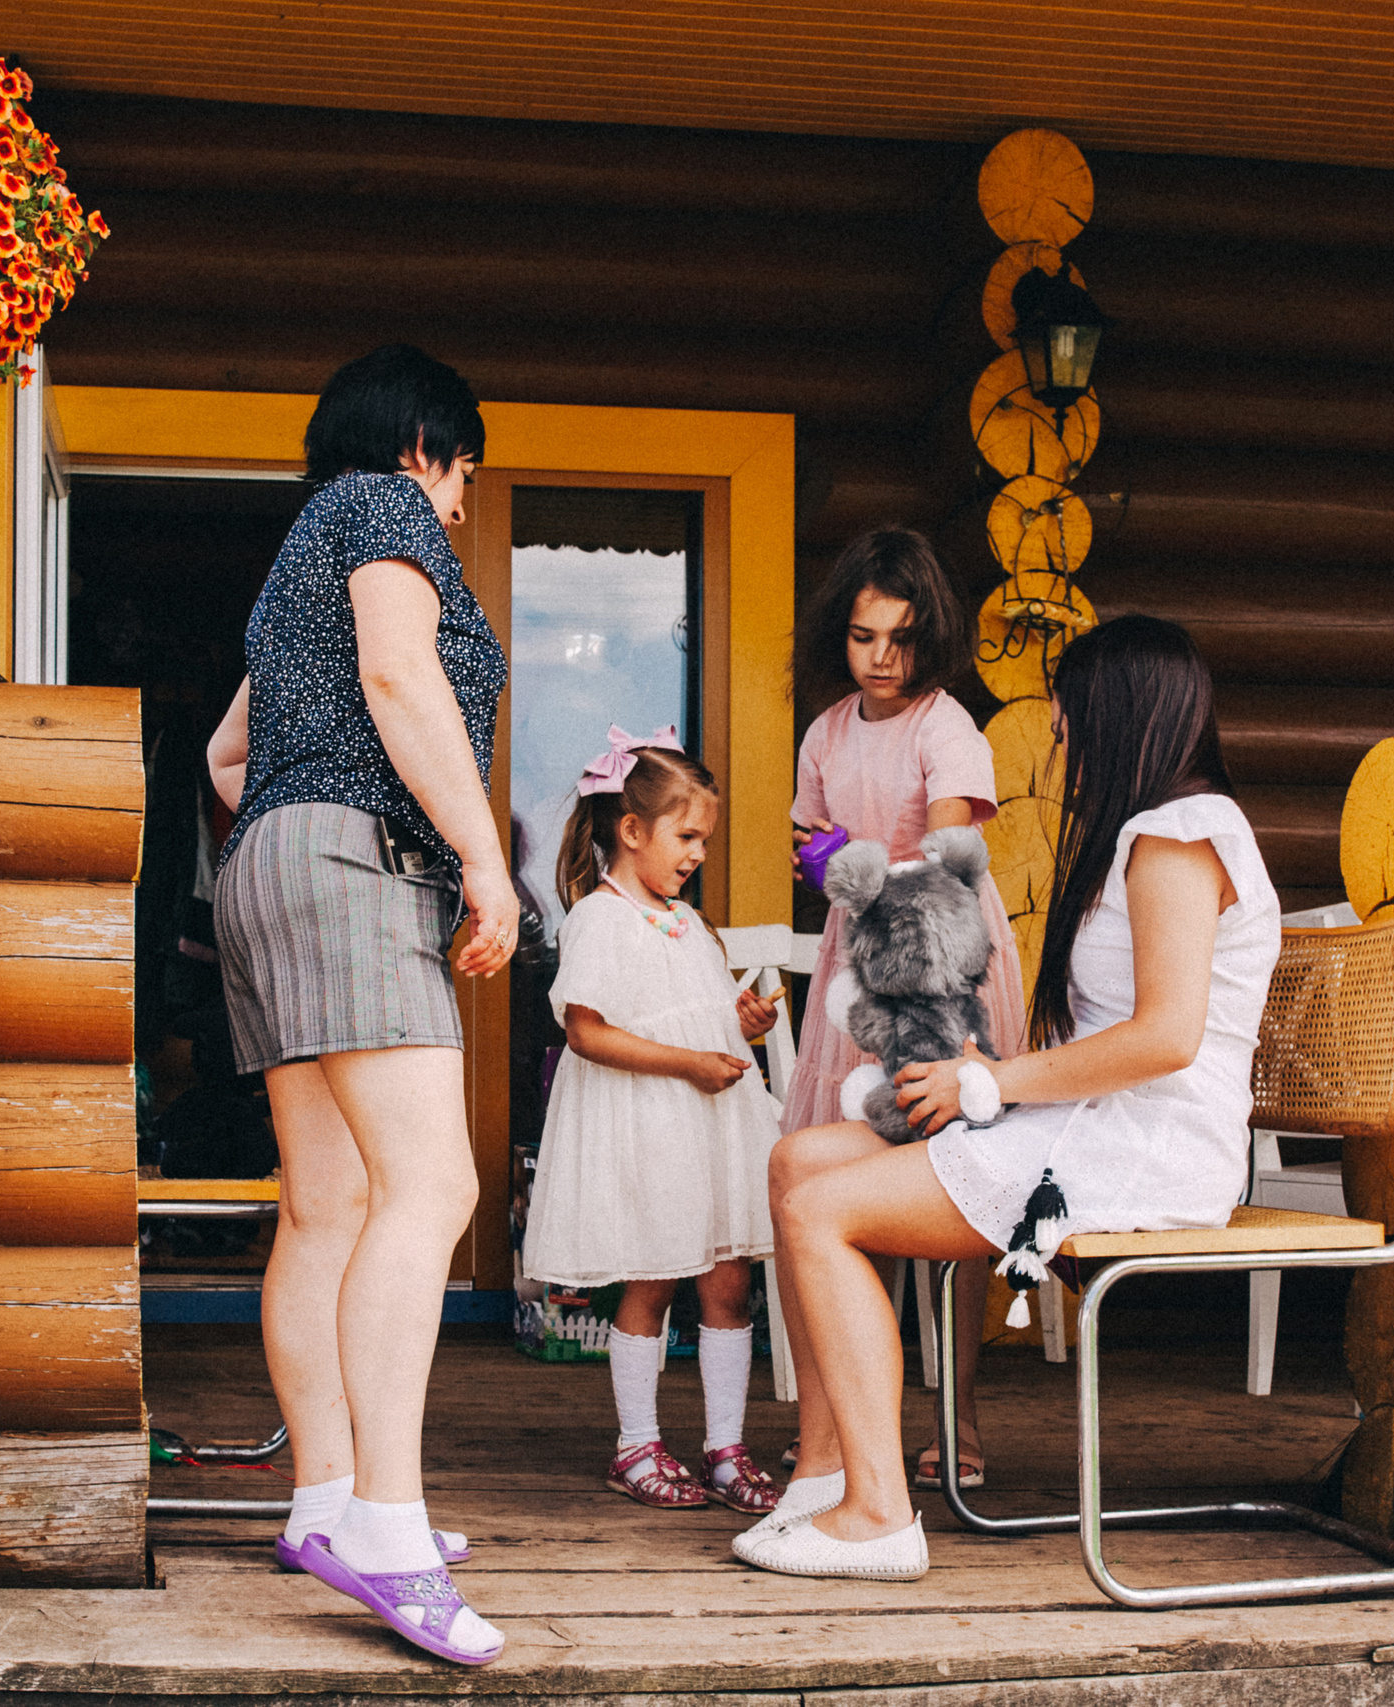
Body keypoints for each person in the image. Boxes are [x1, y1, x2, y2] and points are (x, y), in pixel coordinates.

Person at [737, 615, 1281, 1581]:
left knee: (824, 1208)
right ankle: (824, 1473)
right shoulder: (1153, 836)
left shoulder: (1181, 836)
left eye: (1069, 717)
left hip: (1147, 1147)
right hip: (1093, 1127)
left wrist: (989, 1081)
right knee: (800, 1159)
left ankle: (878, 1513)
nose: (1060, 740)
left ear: (1119, 715)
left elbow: (1165, 1038)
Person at [206, 343, 510, 1666]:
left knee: (327, 1200)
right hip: (351, 858)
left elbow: (229, 756)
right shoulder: (381, 506)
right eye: (465, 475)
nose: (461, 507)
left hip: (265, 859)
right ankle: (388, 1527)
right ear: (425, 445)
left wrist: (298, 823)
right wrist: (485, 855)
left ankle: (324, 1498)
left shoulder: (294, 562)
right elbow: (400, 676)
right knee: (432, 1189)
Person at [780, 528, 1025, 1489]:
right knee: (849, 1186)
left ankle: (956, 1413)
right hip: (857, 967)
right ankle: (852, 1426)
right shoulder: (826, 730)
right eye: (861, 636)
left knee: (948, 1184)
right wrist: (827, 861)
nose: (880, 658)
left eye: (900, 638)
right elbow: (809, 841)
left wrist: (860, 865)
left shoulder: (946, 725)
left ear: (933, 637)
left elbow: (953, 853)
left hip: (939, 953)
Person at [519, 729, 788, 1515]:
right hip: (652, 1125)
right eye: (687, 835)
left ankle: (726, 1446)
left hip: (710, 1129)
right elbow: (587, 1031)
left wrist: (740, 1024)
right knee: (653, 1279)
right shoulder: (599, 920)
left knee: (729, 1282)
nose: (698, 851)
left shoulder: (688, 924)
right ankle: (636, 1441)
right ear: (631, 830)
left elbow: (703, 1022)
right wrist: (689, 1061)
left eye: (705, 837)